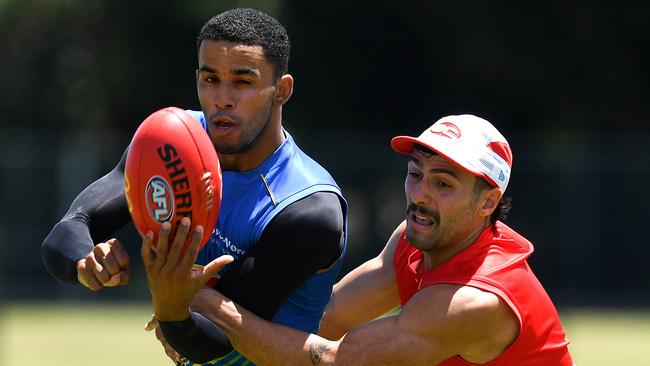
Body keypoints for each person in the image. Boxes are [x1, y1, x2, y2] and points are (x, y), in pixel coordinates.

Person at [41, 8, 348, 366]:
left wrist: (172, 308)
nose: (222, 99)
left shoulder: (307, 209)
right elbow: (66, 233)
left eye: (243, 81)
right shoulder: (171, 140)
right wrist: (86, 262)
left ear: (281, 90)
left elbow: (216, 340)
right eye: (210, 79)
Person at [142, 114, 574, 365]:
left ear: (488, 202)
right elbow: (323, 318)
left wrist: (201, 302)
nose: (420, 195)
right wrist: (193, 326)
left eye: (443, 184)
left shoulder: (477, 302)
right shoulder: (414, 238)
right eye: (415, 174)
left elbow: (335, 360)